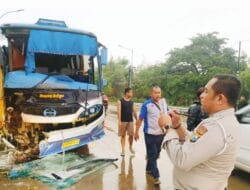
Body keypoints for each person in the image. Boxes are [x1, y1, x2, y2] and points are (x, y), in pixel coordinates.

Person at [160, 74, 241, 190]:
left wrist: (168, 127)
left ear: (219, 99)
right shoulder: (223, 122)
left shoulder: (216, 127)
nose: (201, 96)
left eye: (206, 92)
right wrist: (177, 126)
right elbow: (194, 142)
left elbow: (182, 159)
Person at [135, 86, 169, 185]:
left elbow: (167, 113)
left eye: (159, 92)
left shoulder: (163, 103)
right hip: (149, 134)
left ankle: (148, 169)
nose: (158, 94)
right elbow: (140, 119)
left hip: (161, 134)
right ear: (151, 94)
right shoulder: (147, 105)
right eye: (155, 93)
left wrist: (172, 113)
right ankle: (156, 176)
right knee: (152, 154)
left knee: (156, 153)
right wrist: (136, 131)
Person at [117, 87, 138, 156]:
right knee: (123, 136)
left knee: (131, 135)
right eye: (131, 92)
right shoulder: (120, 101)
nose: (132, 94)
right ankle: (123, 150)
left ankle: (130, 147)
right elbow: (119, 112)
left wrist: (137, 119)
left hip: (130, 121)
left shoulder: (132, 102)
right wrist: (119, 121)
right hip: (122, 121)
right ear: (127, 93)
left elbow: (134, 112)